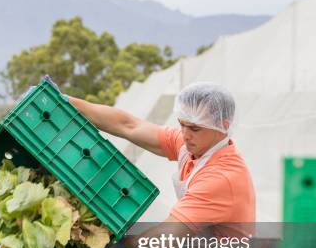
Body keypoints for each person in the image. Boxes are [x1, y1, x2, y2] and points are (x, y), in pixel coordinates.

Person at [66, 80, 255, 238]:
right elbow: (129, 126)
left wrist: (113, 244)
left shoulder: (221, 177)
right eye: (182, 125)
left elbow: (164, 239)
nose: (186, 135)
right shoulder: (195, 146)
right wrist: (67, 102)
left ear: (223, 126)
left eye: (195, 129)